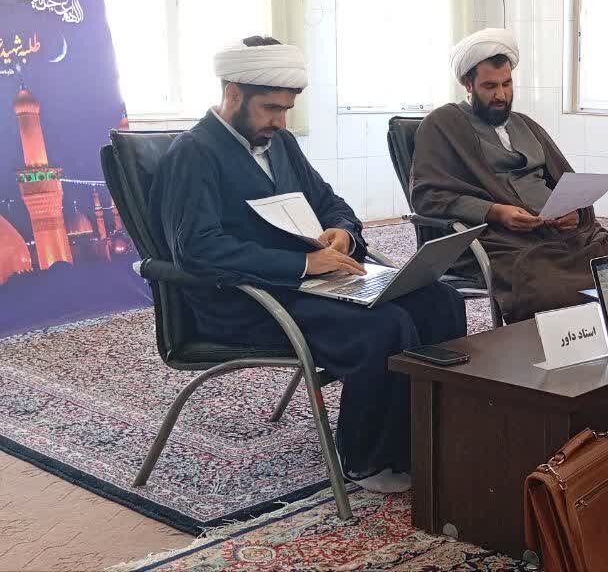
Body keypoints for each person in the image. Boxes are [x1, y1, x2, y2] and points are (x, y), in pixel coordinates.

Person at [149, 36, 466, 494]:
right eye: (271, 109)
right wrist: (301, 264)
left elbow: (329, 202)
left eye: (286, 110)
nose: (281, 121)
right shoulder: (193, 153)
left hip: (306, 286)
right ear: (233, 93)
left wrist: (342, 233)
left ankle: (426, 437)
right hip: (245, 301)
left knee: (439, 300)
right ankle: (368, 457)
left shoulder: (280, 144)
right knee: (384, 327)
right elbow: (198, 250)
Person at [410, 28, 608, 323]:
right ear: (467, 84)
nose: (501, 95)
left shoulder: (525, 124)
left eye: (507, 84)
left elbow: (567, 181)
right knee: (551, 289)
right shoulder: (442, 125)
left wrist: (574, 212)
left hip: (559, 233)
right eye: (489, 86)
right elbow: (426, 196)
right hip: (502, 239)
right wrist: (496, 212)